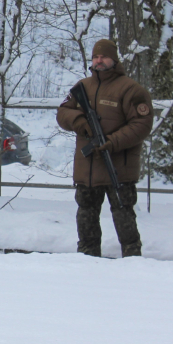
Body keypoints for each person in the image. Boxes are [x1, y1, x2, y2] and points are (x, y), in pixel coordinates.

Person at [56, 38, 153, 257]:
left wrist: (113, 142)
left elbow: (142, 124)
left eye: (104, 57)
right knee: (86, 216)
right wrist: (80, 122)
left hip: (118, 167)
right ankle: (87, 259)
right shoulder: (82, 87)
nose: (99, 61)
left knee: (123, 214)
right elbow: (62, 112)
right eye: (96, 57)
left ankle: (132, 259)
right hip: (87, 169)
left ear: (114, 59)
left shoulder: (131, 89)